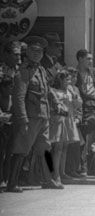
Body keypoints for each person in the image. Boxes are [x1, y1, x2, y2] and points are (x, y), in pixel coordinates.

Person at [8, 36, 63, 192]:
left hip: (43, 117)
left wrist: (56, 101)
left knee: (45, 148)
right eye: (34, 51)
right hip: (30, 118)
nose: (38, 54)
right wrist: (23, 120)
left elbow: (48, 89)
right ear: (27, 53)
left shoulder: (41, 69)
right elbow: (19, 97)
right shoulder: (23, 72)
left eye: (40, 51)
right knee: (22, 149)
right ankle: (12, 183)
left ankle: (48, 180)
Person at [75, 49, 95, 176]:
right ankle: (83, 166)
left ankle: (84, 166)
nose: (91, 61)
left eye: (91, 59)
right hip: (78, 107)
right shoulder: (74, 72)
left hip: (92, 106)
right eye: (88, 59)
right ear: (80, 59)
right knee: (81, 137)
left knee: (88, 126)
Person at [48, 70, 80, 185]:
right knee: (58, 148)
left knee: (65, 147)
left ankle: (62, 172)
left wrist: (75, 96)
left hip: (69, 120)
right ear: (60, 79)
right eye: (67, 79)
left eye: (70, 79)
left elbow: (78, 105)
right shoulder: (54, 90)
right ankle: (55, 174)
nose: (69, 82)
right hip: (59, 120)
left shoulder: (71, 90)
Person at [0, 41, 22, 189]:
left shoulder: (20, 71)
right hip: (2, 117)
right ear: (6, 54)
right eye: (15, 54)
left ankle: (9, 181)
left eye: (20, 54)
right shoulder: (1, 71)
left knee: (12, 152)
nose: (18, 58)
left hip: (15, 117)